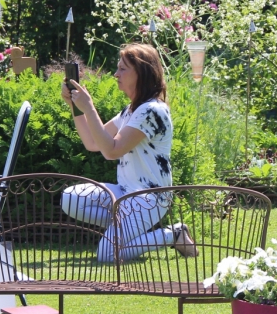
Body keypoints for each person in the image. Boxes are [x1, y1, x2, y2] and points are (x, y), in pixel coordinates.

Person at [60, 43, 196, 262]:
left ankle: (172, 234)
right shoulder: (132, 110)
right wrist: (76, 107)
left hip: (148, 199)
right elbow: (93, 143)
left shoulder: (152, 111)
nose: (116, 74)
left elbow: (112, 151)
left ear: (141, 73)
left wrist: (90, 108)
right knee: (71, 198)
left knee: (107, 255)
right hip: (125, 193)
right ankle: (125, 231)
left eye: (123, 69)